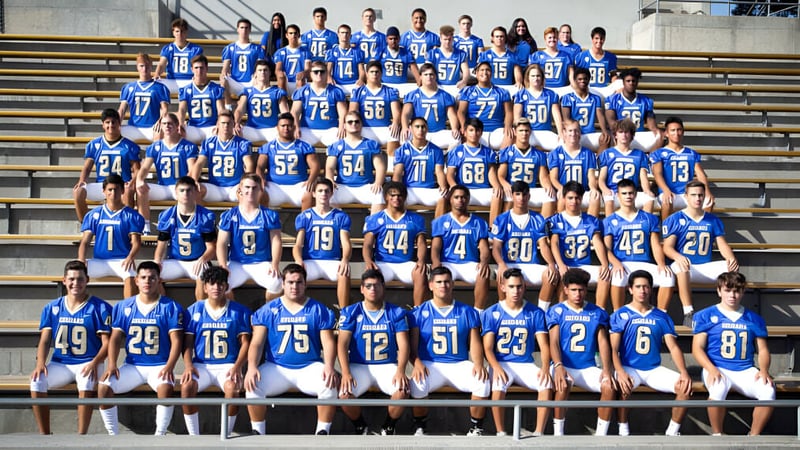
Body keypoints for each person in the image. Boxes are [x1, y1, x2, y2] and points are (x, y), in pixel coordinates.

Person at [245, 264, 338, 435]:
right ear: (283, 283)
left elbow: (328, 342)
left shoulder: (318, 310)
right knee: (253, 384)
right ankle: (257, 432)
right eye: (290, 282)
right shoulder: (268, 310)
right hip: (277, 367)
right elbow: (256, 343)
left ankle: (323, 432)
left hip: (309, 366)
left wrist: (329, 366)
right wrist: (251, 367)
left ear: (305, 284)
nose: (294, 286)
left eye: (298, 282)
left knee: (329, 383)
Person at [98, 261, 185, 436]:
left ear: (159, 280)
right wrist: (112, 364)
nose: (147, 281)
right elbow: (115, 338)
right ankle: (112, 434)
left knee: (166, 388)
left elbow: (177, 341)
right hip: (132, 365)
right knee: (104, 386)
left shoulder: (171, 307)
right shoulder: (124, 306)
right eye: (143, 277)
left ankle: (160, 434)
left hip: (159, 365)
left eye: (152, 278)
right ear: (136, 280)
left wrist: (169, 366)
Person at [30, 260, 112, 435]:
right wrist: (40, 363)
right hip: (61, 362)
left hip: (88, 360)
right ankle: (45, 434)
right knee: (37, 381)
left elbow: (108, 343)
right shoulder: (52, 307)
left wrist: (95, 362)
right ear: (64, 280)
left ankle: (81, 435)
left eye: (80, 279)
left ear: (87, 280)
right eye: (72, 279)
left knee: (87, 381)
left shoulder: (100, 307)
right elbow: (45, 340)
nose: (76, 283)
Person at [408, 266, 490, 436]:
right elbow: (412, 347)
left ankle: (476, 427)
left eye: (446, 282)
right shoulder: (419, 312)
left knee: (482, 380)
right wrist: (416, 364)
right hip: (431, 364)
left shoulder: (467, 311)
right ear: (430, 285)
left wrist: (478, 364)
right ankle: (420, 426)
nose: (443, 285)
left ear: (453, 284)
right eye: (438, 282)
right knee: (417, 381)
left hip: (458, 363)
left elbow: (474, 343)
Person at [610, 270, 692, 436]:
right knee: (624, 386)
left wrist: (684, 372)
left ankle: (672, 432)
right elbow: (613, 349)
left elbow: (673, 347)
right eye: (638, 287)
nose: (642, 290)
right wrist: (620, 371)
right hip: (628, 366)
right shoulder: (620, 314)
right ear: (630, 289)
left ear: (651, 289)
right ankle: (623, 428)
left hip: (653, 368)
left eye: (646, 287)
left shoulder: (661, 316)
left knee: (684, 388)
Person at [692, 271, 775, 436]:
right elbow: (697, 348)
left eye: (737, 290)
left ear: (743, 291)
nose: (732, 295)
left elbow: (763, 349)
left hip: (745, 368)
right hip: (717, 366)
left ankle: (754, 435)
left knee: (768, 391)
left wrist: (764, 370)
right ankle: (717, 434)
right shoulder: (705, 315)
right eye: (728, 290)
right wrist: (711, 368)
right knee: (718, 388)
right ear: (719, 291)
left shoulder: (754, 318)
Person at [180, 266, 251, 436]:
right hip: (201, 364)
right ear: (205, 287)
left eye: (220, 284)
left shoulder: (239, 311)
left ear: (226, 286)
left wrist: (237, 367)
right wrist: (188, 366)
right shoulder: (194, 310)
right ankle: (193, 435)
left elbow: (246, 344)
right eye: (212, 284)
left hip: (228, 364)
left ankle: (225, 433)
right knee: (187, 386)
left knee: (232, 388)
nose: (216, 288)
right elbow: (187, 344)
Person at [337, 270, 410, 435]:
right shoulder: (351, 312)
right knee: (343, 393)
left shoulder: (396, 313)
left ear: (383, 287)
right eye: (368, 286)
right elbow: (342, 344)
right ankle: (360, 425)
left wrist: (400, 370)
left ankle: (389, 426)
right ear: (362, 289)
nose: (373, 289)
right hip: (359, 365)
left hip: (387, 365)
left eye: (376, 285)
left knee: (403, 389)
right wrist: (346, 372)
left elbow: (404, 344)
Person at [481, 268, 552, 437]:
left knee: (546, 384)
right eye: (511, 286)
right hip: (502, 362)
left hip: (525, 363)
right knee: (497, 385)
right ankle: (501, 431)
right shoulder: (492, 312)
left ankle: (538, 432)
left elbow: (544, 345)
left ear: (524, 286)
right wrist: (496, 368)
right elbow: (488, 348)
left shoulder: (535, 312)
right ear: (503, 287)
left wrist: (544, 368)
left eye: (519, 286)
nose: (516, 291)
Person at [547, 268, 617, 436]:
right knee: (563, 383)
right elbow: (554, 342)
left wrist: (607, 370)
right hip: (563, 365)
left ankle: (601, 435)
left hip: (587, 366)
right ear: (565, 290)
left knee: (609, 386)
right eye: (573, 290)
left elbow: (602, 342)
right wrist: (558, 366)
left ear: (586, 290)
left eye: (581, 290)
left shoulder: (597, 312)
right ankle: (558, 433)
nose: (577, 294)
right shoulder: (557, 311)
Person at [662, 180, 739, 320]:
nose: (697, 198)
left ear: (704, 196)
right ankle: (688, 312)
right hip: (685, 266)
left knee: (731, 269)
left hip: (705, 265)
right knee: (681, 266)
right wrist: (678, 257)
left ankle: (728, 309)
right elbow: (667, 247)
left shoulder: (712, 220)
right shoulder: (675, 219)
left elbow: (722, 244)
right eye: (693, 195)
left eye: (700, 195)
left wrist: (731, 258)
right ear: (686, 196)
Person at [604, 178, 674, 311]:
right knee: (618, 277)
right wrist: (616, 263)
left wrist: (661, 264)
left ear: (636, 194)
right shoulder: (609, 220)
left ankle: (661, 314)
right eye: (624, 193)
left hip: (644, 263)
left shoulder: (649, 218)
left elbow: (655, 244)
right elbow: (606, 249)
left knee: (668, 276)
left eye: (630, 193)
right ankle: (617, 313)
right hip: (622, 263)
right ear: (618, 195)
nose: (628, 196)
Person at [490, 180, 559, 310]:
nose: (521, 198)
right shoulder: (502, 219)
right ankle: (503, 309)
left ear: (529, 196)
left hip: (530, 264)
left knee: (549, 274)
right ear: (512, 196)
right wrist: (501, 264)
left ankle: (542, 312)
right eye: (517, 194)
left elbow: (543, 245)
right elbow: (496, 247)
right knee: (501, 273)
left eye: (524, 194)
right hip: (509, 264)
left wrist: (551, 263)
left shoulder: (538, 219)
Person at [216, 174, 283, 298]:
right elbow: (221, 243)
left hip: (262, 262)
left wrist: (275, 263)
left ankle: (269, 315)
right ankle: (232, 315)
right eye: (247, 187)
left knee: (277, 284)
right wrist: (223, 264)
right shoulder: (229, 215)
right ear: (240, 189)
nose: (250, 191)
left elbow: (276, 241)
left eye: (254, 188)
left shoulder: (269, 215)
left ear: (260, 190)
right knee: (220, 285)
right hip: (238, 262)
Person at [362, 181, 429, 307]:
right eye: (392, 195)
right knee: (371, 276)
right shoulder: (375, 219)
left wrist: (421, 260)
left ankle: (418, 310)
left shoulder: (416, 219)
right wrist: (368, 260)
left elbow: (421, 243)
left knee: (420, 272)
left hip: (405, 263)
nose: (396, 198)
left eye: (399, 195)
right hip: (383, 264)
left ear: (404, 197)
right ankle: (375, 310)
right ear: (386, 197)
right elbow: (367, 244)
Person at [77, 174, 144, 299]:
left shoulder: (131, 216)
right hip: (98, 261)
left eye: (116, 189)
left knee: (130, 275)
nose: (113, 193)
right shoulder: (94, 214)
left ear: (123, 191)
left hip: (121, 261)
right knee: (74, 273)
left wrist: (130, 257)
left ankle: (128, 312)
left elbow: (136, 243)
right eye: (110, 190)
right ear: (104, 191)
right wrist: (81, 259)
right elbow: (85, 242)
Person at [153, 176, 216, 302]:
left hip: (197, 261)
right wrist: (157, 261)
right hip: (175, 261)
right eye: (182, 190)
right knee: (151, 274)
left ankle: (200, 311)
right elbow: (162, 245)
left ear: (195, 193)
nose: (185, 194)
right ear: (176, 193)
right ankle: (162, 309)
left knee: (203, 273)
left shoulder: (205, 216)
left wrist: (202, 259)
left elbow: (212, 248)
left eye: (189, 190)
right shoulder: (167, 215)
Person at [548, 181, 611, 308]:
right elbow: (554, 244)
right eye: (570, 198)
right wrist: (560, 265)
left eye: (577, 198)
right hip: (566, 264)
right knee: (563, 277)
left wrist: (604, 263)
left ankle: (600, 313)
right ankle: (563, 313)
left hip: (584, 264)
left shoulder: (591, 220)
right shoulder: (555, 220)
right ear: (564, 198)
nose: (574, 201)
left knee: (605, 275)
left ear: (582, 199)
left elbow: (597, 241)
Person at [293, 177, 353, 309]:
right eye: (320, 191)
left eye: (326, 191)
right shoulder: (305, 216)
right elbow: (298, 244)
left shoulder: (340, 216)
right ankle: (296, 309)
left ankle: (344, 313)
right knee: (293, 276)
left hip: (332, 261)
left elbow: (346, 243)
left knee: (344, 272)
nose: (323, 194)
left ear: (331, 193)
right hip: (311, 261)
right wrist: (298, 260)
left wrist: (345, 259)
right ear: (314, 193)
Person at [73, 109, 140, 222]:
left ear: (119, 124)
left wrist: (132, 183)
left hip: (122, 185)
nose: (111, 125)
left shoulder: (129, 146)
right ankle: (87, 227)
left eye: (114, 122)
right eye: (107, 122)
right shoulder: (94, 144)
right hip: (102, 184)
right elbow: (87, 167)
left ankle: (126, 228)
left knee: (128, 191)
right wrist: (82, 180)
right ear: (102, 124)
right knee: (78, 192)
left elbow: (137, 169)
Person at [135, 113, 199, 233]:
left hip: (180, 187)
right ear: (161, 126)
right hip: (163, 186)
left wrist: (184, 185)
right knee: (140, 189)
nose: (167, 126)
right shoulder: (155, 147)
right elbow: (144, 168)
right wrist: (139, 180)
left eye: (170, 123)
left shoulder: (188, 146)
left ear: (176, 126)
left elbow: (192, 169)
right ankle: (145, 227)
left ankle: (191, 225)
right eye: (164, 124)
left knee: (192, 191)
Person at [432, 185, 492, 311]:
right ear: (450, 199)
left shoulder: (479, 222)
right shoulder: (441, 221)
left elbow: (484, 248)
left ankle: (478, 313)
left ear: (468, 199)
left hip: (470, 263)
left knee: (483, 274)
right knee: (437, 277)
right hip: (447, 263)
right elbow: (436, 247)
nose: (460, 200)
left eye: (463, 197)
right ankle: (439, 309)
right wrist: (436, 262)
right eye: (457, 197)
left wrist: (484, 262)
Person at [650, 116, 714, 221]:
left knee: (708, 201)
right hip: (669, 193)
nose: (676, 133)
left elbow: (700, 174)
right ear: (666, 133)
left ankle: (700, 229)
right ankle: (666, 231)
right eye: (673, 130)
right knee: (667, 201)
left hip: (687, 193)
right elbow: (658, 174)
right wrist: (666, 190)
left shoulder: (691, 153)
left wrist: (707, 191)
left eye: (679, 130)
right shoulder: (659, 153)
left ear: (683, 132)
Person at [325, 111, 387, 214]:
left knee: (379, 193)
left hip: (365, 186)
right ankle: (338, 224)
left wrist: (378, 183)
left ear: (361, 124)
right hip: (343, 186)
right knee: (326, 193)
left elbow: (380, 167)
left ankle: (372, 227)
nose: (353, 124)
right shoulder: (336, 145)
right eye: (350, 122)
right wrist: (330, 180)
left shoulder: (370, 144)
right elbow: (330, 167)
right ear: (344, 125)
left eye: (356, 121)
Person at [495, 118, 556, 217]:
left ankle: (542, 228)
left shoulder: (538, 154)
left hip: (530, 190)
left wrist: (548, 185)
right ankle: (507, 227)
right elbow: (501, 175)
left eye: (526, 130)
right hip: (513, 189)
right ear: (515, 132)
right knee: (510, 197)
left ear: (530, 132)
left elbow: (543, 177)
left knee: (550, 196)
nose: (524, 133)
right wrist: (505, 184)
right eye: (521, 131)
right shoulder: (507, 152)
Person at [445, 118, 502, 223]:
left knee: (497, 194)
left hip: (482, 190)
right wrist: (454, 187)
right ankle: (453, 226)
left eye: (477, 130)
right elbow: (450, 175)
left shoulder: (488, 152)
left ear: (481, 133)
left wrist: (496, 185)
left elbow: (491, 173)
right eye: (471, 130)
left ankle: (493, 229)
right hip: (463, 190)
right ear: (465, 132)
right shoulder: (456, 151)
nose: (474, 133)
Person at [256, 112, 318, 210]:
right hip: (274, 186)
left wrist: (311, 179)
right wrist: (260, 178)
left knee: (310, 193)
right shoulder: (268, 147)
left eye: (289, 125)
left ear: (294, 127)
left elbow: (315, 166)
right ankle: (263, 223)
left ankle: (305, 224)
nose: (286, 128)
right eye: (283, 125)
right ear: (277, 127)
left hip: (298, 185)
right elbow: (259, 167)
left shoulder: (304, 146)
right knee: (259, 191)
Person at [191, 111, 255, 202]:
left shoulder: (243, 143)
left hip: (235, 186)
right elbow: (199, 163)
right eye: (223, 123)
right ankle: (200, 216)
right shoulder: (208, 143)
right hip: (215, 187)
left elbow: (249, 164)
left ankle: (242, 216)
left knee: (246, 193)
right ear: (217, 124)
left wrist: (244, 184)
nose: (226, 126)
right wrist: (194, 181)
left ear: (233, 124)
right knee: (195, 191)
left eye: (228, 123)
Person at [598, 119, 656, 217]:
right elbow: (601, 179)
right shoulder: (607, 154)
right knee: (609, 198)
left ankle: (645, 227)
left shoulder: (640, 155)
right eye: (620, 132)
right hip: (614, 191)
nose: (624, 135)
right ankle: (610, 229)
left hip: (632, 193)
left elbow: (643, 178)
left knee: (649, 198)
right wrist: (605, 189)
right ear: (615, 135)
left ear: (632, 135)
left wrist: (647, 190)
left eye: (626, 132)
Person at [392, 116, 448, 217]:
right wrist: (397, 190)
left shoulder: (436, 150)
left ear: (427, 129)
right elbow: (398, 173)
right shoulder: (401, 150)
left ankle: (437, 231)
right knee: (394, 198)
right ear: (410, 129)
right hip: (409, 190)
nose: (420, 130)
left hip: (428, 189)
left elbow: (439, 172)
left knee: (444, 197)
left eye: (423, 127)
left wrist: (443, 186)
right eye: (417, 127)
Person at [547, 120, 601, 217]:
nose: (573, 134)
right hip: (564, 190)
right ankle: (562, 228)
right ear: (564, 132)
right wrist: (561, 189)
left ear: (580, 133)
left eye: (576, 130)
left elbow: (591, 177)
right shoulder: (556, 153)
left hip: (582, 192)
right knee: (563, 198)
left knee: (596, 197)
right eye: (570, 131)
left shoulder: (588, 153)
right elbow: (553, 178)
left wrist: (593, 188)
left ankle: (589, 228)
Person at [401, 63, 461, 150]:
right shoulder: (413, 95)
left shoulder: (444, 95)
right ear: (420, 76)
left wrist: (455, 128)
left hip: (439, 132)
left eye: (431, 74)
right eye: (425, 74)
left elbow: (451, 115)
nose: (428, 77)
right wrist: (405, 127)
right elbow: (405, 113)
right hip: (418, 131)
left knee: (456, 139)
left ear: (435, 76)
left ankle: (446, 161)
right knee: (404, 138)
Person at [348, 60, 402, 158]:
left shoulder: (390, 91)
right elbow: (352, 112)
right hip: (364, 128)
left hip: (384, 127)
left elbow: (396, 112)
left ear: (381, 74)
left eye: (377, 72)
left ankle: (391, 168)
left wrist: (395, 122)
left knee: (394, 134)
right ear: (367, 74)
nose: (374, 74)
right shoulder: (358, 92)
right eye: (372, 72)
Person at [457, 61, 513, 150]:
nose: (485, 72)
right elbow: (461, 112)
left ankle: (501, 159)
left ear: (491, 73)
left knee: (511, 133)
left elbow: (509, 112)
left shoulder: (502, 92)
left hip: (497, 130)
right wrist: (464, 126)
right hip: (475, 131)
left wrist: (508, 126)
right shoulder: (468, 91)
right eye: (482, 70)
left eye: (487, 70)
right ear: (476, 73)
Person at [291, 60, 348, 147]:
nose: (319, 74)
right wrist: (296, 127)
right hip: (307, 129)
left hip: (330, 130)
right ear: (310, 74)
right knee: (296, 146)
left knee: (341, 146)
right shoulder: (302, 91)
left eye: (322, 72)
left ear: (327, 73)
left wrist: (341, 126)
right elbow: (294, 112)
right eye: (316, 72)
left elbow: (343, 112)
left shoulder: (336, 91)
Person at [604, 67, 662, 152]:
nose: (631, 83)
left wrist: (656, 131)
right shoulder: (612, 99)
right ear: (623, 82)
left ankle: (650, 161)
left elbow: (651, 123)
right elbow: (611, 122)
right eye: (628, 81)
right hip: (622, 134)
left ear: (637, 82)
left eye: (633, 81)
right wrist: (622, 133)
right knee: (608, 136)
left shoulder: (645, 100)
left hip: (638, 135)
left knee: (660, 136)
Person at [118, 52, 170, 142]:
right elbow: (122, 110)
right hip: (133, 127)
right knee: (113, 132)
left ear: (151, 66)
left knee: (161, 132)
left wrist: (161, 121)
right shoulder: (129, 87)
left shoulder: (160, 87)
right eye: (141, 66)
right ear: (137, 67)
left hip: (152, 127)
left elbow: (164, 109)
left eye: (147, 66)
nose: (144, 69)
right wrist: (117, 123)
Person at [234, 59, 290, 143]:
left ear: (270, 73)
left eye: (265, 70)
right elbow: (240, 110)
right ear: (255, 74)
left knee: (285, 136)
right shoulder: (248, 91)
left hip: (272, 129)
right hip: (252, 129)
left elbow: (285, 112)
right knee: (234, 132)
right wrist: (236, 123)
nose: (262, 72)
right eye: (260, 70)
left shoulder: (277, 92)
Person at [513, 64, 564, 151]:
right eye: (533, 76)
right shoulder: (521, 94)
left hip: (546, 132)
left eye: (538, 76)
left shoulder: (550, 94)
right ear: (528, 77)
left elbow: (556, 115)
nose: (536, 78)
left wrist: (560, 132)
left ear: (542, 78)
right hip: (528, 133)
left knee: (563, 146)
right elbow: (517, 118)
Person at [177, 55, 225, 144]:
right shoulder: (185, 89)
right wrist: (180, 124)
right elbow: (182, 110)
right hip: (194, 127)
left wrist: (219, 124)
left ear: (206, 68)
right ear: (192, 69)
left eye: (201, 68)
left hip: (212, 127)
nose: (199, 71)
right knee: (176, 133)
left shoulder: (215, 88)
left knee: (225, 133)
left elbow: (221, 110)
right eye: (196, 68)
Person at [560, 67, 610, 152]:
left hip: (590, 132)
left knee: (606, 139)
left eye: (585, 79)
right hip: (574, 133)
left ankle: (598, 164)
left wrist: (604, 131)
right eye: (579, 79)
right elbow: (566, 119)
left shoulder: (595, 98)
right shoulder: (567, 98)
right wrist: (574, 131)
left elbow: (600, 115)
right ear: (575, 80)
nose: (582, 81)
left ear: (589, 80)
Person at [220, 18, 267, 105]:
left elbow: (260, 66)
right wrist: (224, 74)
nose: (244, 30)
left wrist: (256, 76)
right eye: (242, 28)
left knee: (260, 76)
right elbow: (225, 67)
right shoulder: (230, 48)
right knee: (223, 79)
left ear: (250, 30)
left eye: (246, 28)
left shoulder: (257, 48)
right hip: (235, 82)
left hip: (251, 81)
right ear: (237, 29)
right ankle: (228, 105)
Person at [154, 18, 204, 94]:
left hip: (189, 80)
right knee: (155, 84)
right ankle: (163, 106)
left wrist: (196, 76)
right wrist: (157, 73)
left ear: (186, 32)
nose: (180, 34)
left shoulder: (195, 49)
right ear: (173, 33)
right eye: (177, 31)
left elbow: (197, 65)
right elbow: (162, 64)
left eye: (182, 31)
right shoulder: (168, 48)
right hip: (172, 80)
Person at [574, 27, 620, 99]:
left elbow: (613, 75)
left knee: (620, 83)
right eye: (596, 38)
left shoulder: (610, 57)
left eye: (601, 38)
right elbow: (576, 75)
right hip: (588, 89)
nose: (599, 41)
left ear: (604, 39)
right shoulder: (582, 56)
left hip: (605, 89)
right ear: (592, 39)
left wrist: (616, 85)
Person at [425, 25, 470, 98]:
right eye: (445, 39)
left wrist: (464, 81)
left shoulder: (460, 53)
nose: (447, 42)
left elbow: (466, 70)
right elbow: (427, 70)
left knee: (463, 99)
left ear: (453, 39)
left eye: (449, 39)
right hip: (438, 85)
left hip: (455, 86)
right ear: (440, 39)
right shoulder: (432, 53)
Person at [478, 26, 523, 96]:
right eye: (497, 36)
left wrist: (519, 82)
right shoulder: (485, 55)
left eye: (501, 36)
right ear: (492, 38)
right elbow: (480, 73)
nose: (499, 39)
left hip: (508, 87)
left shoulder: (512, 55)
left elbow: (517, 71)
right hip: (491, 87)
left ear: (505, 38)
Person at [529, 27, 574, 97]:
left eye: (554, 37)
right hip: (544, 88)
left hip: (562, 89)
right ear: (545, 39)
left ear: (558, 38)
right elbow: (531, 74)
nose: (552, 39)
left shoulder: (566, 56)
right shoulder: (537, 55)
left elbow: (571, 73)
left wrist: (573, 85)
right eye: (549, 37)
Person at [380, 26, 421, 98]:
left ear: (399, 39)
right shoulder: (380, 51)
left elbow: (414, 68)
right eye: (390, 39)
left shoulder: (406, 52)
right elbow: (372, 67)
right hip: (385, 84)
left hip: (402, 86)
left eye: (395, 38)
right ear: (386, 39)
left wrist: (419, 81)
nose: (393, 41)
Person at [325, 24, 366, 96]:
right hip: (337, 83)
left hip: (354, 83)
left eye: (347, 33)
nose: (345, 35)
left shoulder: (357, 52)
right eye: (342, 33)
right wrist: (329, 77)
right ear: (338, 34)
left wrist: (361, 79)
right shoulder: (332, 51)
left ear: (350, 35)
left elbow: (361, 70)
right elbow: (328, 69)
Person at [273, 24, 312, 96]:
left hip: (300, 81)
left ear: (299, 35)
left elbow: (308, 69)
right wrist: (280, 74)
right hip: (286, 81)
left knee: (301, 79)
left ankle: (299, 103)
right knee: (281, 77)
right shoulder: (281, 52)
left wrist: (303, 73)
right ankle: (283, 102)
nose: (293, 35)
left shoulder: (305, 52)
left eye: (295, 33)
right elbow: (278, 69)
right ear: (286, 35)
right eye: (290, 33)